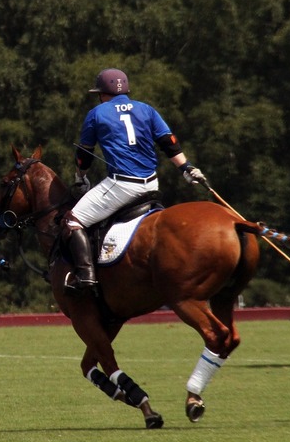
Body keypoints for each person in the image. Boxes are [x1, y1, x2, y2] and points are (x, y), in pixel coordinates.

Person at [65, 68, 207, 292]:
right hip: (151, 183)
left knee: (73, 220)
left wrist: (80, 177)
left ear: (102, 93)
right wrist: (187, 168)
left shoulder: (97, 113)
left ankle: (86, 276)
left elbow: (84, 156)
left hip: (121, 185)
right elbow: (169, 143)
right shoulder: (146, 109)